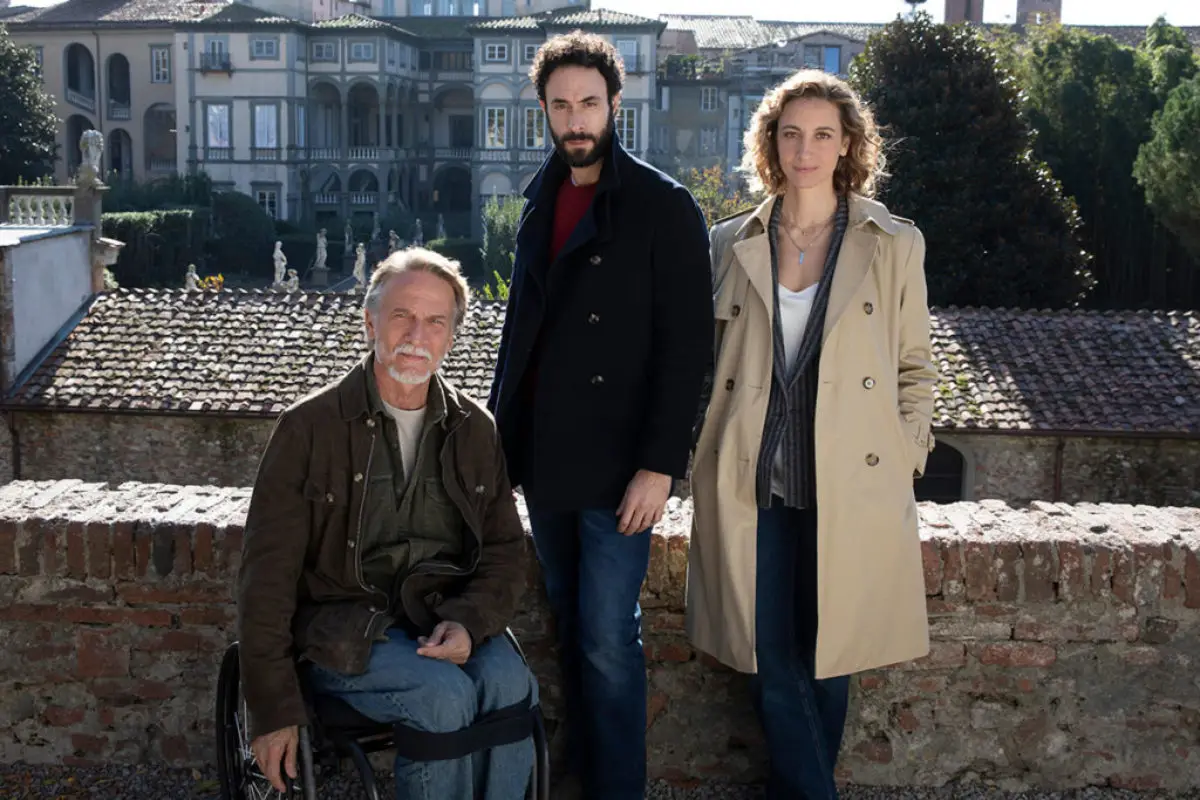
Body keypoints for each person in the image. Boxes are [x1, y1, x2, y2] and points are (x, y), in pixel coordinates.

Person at [686, 69, 936, 800]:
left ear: (848, 144)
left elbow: (915, 367)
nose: (806, 150)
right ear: (770, 143)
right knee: (767, 653)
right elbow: (705, 365)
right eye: (790, 134)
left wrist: (904, 454)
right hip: (751, 477)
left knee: (832, 658)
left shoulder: (893, 242)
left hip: (851, 480)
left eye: (823, 134)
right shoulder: (731, 242)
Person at [487, 30, 714, 800]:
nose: (575, 119)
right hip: (546, 458)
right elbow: (519, 335)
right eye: (560, 105)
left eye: (588, 102)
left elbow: (687, 348)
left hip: (621, 467)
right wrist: (499, 448)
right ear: (544, 111)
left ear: (616, 104)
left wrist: (660, 465)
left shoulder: (662, 205)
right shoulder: (537, 201)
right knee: (566, 624)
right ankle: (580, 777)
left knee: (610, 638)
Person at [237, 248, 536, 800]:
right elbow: (266, 580)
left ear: (451, 337)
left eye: (435, 321)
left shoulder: (475, 429)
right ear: (371, 322)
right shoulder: (308, 428)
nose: (417, 335)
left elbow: (503, 551)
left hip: (440, 615)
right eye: (402, 315)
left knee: (511, 682)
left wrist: (469, 623)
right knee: (441, 694)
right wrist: (273, 709)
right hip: (342, 633)